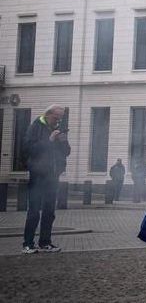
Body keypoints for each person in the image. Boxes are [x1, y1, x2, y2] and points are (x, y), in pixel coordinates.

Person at [21, 105, 71, 254]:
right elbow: (28, 149)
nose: (57, 122)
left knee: (49, 210)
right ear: (48, 114)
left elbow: (66, 152)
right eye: (56, 118)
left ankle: (45, 242)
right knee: (34, 210)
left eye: (60, 119)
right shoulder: (36, 127)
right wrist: (49, 140)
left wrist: (63, 141)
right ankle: (28, 243)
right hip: (38, 174)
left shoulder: (56, 129)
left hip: (53, 175)